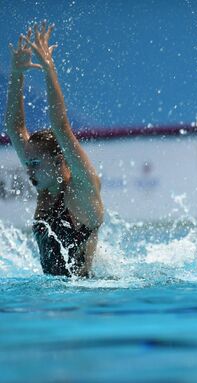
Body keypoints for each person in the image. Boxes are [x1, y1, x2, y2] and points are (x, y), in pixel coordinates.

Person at [4, 23, 103, 276]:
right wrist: (17, 74)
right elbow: (15, 129)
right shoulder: (47, 189)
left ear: (60, 159)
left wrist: (49, 69)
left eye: (35, 164)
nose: (30, 172)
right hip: (55, 294)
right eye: (27, 165)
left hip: (85, 295)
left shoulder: (82, 188)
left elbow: (61, 126)